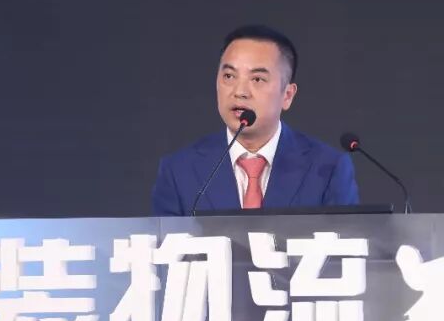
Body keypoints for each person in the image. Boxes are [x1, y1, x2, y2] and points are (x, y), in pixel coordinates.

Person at [150, 24, 359, 216]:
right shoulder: (178, 171)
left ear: (287, 95)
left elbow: (344, 242)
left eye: (257, 79)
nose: (240, 92)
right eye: (229, 76)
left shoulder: (328, 168)